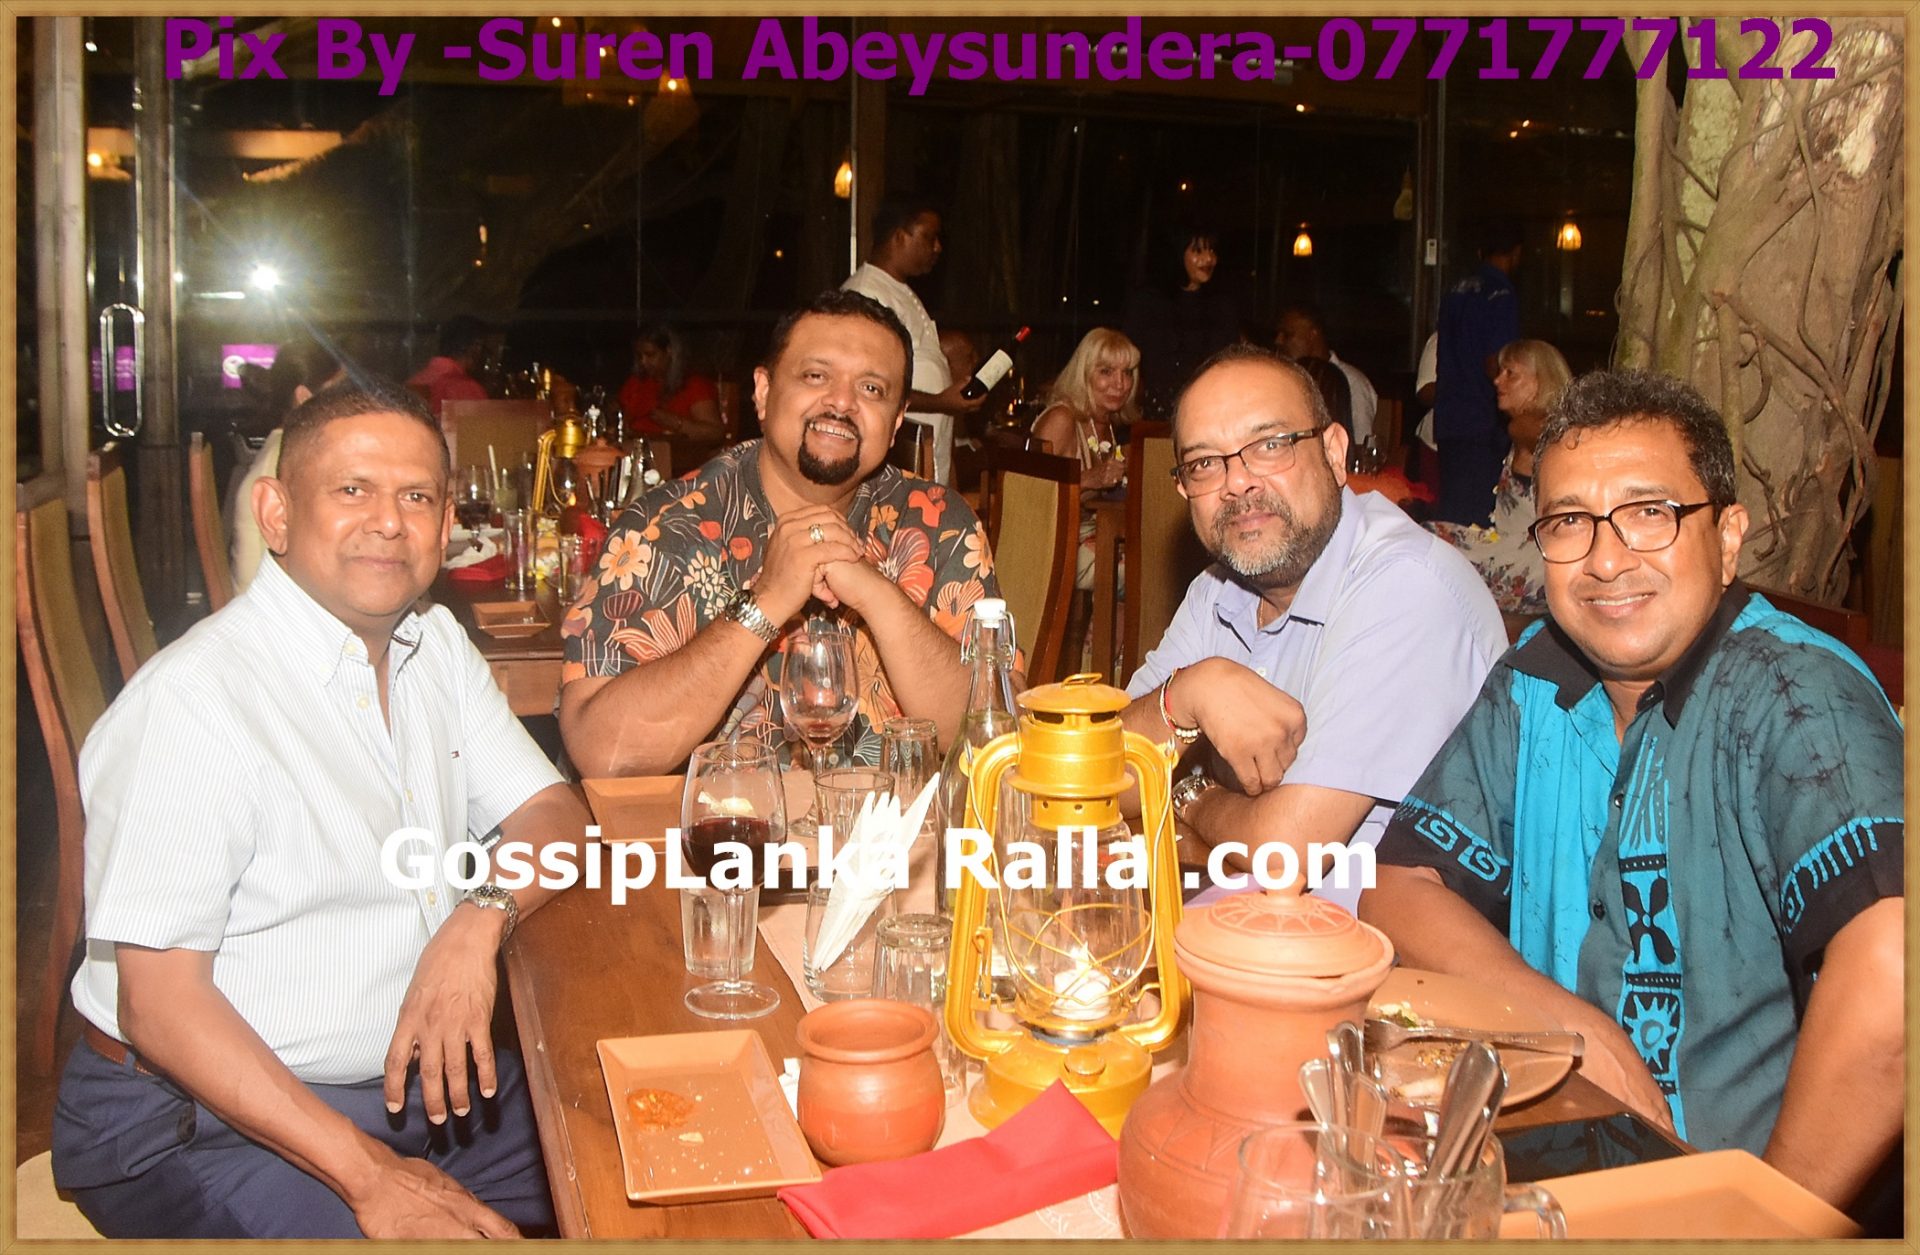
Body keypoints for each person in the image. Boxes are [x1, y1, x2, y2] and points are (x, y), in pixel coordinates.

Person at [53, 381, 589, 1238]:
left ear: (446, 523)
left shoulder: (435, 647)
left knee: (633, 1145)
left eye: (417, 496)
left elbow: (557, 815)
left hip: (407, 1085)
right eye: (353, 490)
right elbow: (158, 1006)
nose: (390, 522)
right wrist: (367, 1172)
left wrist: (478, 918)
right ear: (275, 513)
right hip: (195, 1120)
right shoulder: (196, 702)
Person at [1362, 369, 1903, 1210]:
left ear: (1728, 537)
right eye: (1570, 522)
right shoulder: (1536, 677)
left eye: (1650, 513)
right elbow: (1399, 885)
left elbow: (1894, 969)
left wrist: (1761, 1224)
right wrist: (1573, 1029)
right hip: (1552, 1176)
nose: (1607, 559)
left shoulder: (1793, 694)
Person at [1119, 345, 1506, 910]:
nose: (1237, 482)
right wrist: (1186, 695)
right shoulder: (1217, 591)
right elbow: (1100, 779)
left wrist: (1190, 795)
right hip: (1248, 926)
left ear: (1334, 452)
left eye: (1270, 445)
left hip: (1380, 954)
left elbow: (1284, 855)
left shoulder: (1405, 583)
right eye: (1205, 463)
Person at [559, 290, 1005, 776]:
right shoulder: (669, 525)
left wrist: (878, 595)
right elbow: (603, 754)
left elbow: (994, 739)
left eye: (872, 389)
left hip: (895, 824)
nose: (842, 402)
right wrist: (765, 602)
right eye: (816, 376)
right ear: (764, 392)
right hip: (722, 823)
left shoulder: (937, 522)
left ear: (896, 422)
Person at [841, 198, 984, 486]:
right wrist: (941, 402)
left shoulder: (900, 290)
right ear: (899, 236)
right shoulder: (866, 292)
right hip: (900, 463)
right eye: (929, 237)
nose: (937, 247)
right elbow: (866, 383)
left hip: (928, 458)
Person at [1427, 339, 1571, 615]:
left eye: (1510, 374)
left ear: (1541, 381)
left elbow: (1552, 439)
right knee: (1427, 536)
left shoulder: (1536, 427)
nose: (1497, 380)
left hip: (1531, 559)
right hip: (1509, 544)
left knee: (1429, 545)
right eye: (1500, 372)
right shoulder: (1524, 427)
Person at [228, 338, 348, 592]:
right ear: (304, 397)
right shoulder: (291, 461)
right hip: (271, 611)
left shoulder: (283, 447)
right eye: (337, 392)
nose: (347, 403)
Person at [1031, 328, 1137, 590]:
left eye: (1127, 372)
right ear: (1084, 374)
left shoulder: (1108, 424)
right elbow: (1031, 499)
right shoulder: (1061, 419)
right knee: (1146, 572)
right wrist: (1089, 479)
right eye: (1106, 372)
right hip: (1050, 548)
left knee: (1157, 554)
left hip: (1098, 535)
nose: (1120, 384)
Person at [1432, 222, 1523, 524]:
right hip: (1482, 420)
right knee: (1479, 518)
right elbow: (1494, 361)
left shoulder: (1455, 291)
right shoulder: (1500, 294)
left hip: (1450, 416)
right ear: (1516, 253)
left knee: (1454, 512)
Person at [1124, 226, 1240, 418]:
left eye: (1212, 250)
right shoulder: (1148, 302)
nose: (1208, 259)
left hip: (1208, 409)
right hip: (1156, 412)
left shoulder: (1222, 305)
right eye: (1198, 251)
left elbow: (1230, 360)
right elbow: (1131, 357)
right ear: (1176, 254)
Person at [1274, 304, 1378, 445]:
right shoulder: (1283, 379)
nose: (1278, 341)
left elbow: (1361, 444)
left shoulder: (1351, 382)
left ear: (1312, 335)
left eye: (1288, 335)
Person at [617, 323, 723, 441]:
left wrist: (675, 423)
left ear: (669, 351)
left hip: (678, 450)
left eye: (650, 355)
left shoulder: (695, 385)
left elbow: (715, 433)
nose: (643, 362)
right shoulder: (637, 382)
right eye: (639, 356)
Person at [406, 315, 494, 419]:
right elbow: (483, 427)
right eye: (484, 348)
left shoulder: (413, 382)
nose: (486, 356)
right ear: (475, 347)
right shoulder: (468, 389)